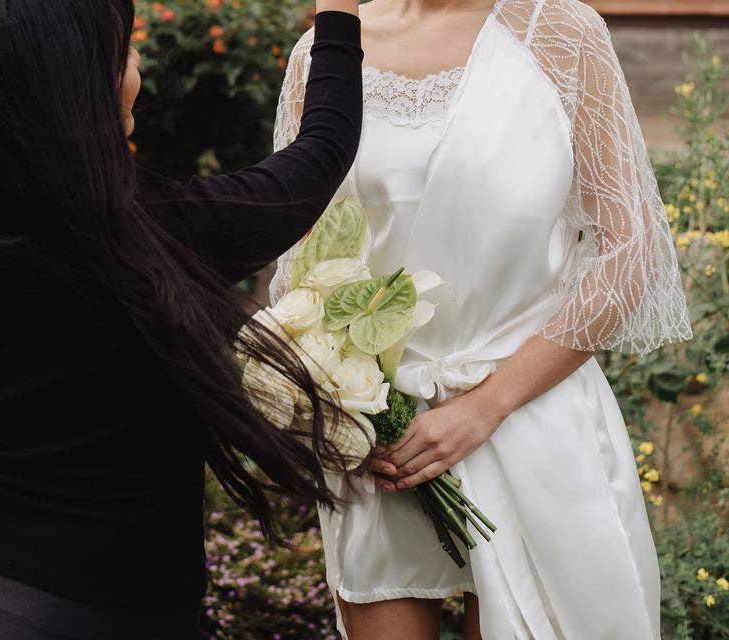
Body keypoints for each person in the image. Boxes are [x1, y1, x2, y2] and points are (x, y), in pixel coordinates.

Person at [0, 0, 363, 637]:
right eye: (124, 52)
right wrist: (337, 16)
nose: (138, 64)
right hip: (127, 612)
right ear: (83, 91)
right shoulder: (167, 238)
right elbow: (322, 151)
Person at [269, 0, 692, 638]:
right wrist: (338, 399)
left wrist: (485, 406)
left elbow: (629, 252)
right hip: (381, 435)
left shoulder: (563, 34)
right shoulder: (325, 52)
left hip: (532, 413)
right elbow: (302, 258)